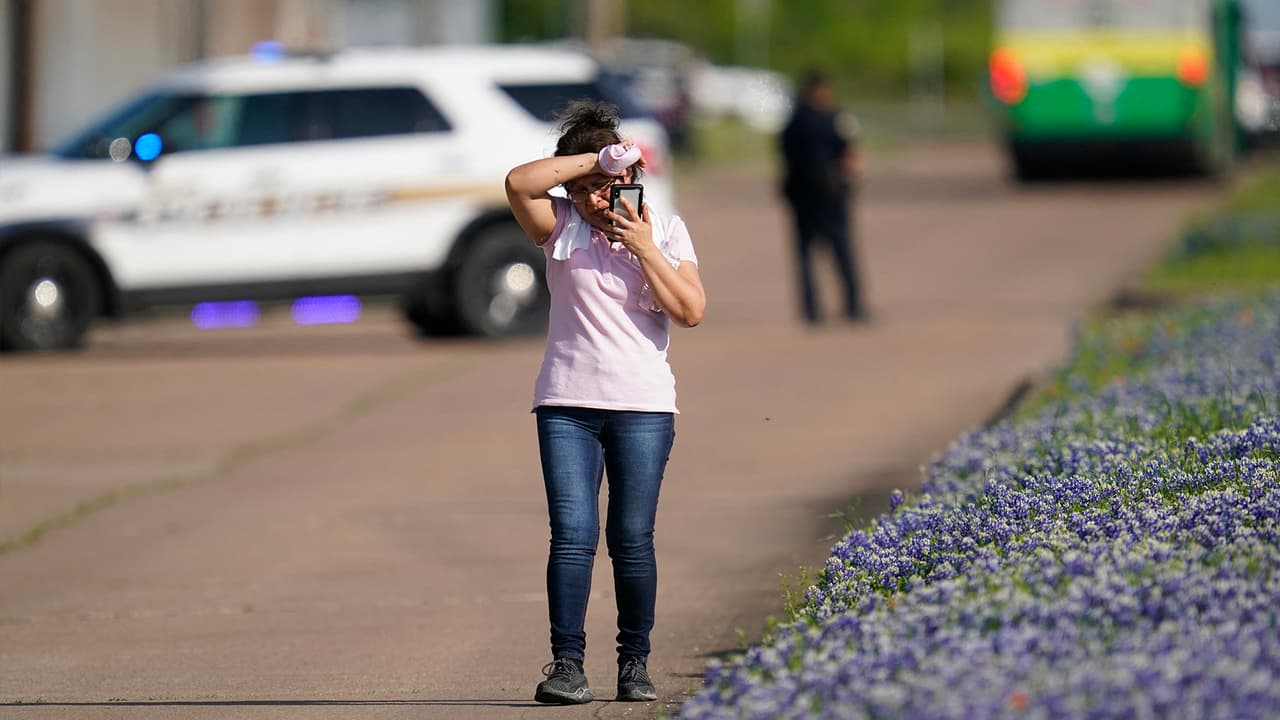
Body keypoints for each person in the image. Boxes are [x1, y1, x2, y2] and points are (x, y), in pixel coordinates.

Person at [504, 101, 706, 705]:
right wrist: (594, 159)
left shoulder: (665, 230)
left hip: (643, 407)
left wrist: (643, 246)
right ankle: (567, 665)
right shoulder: (560, 226)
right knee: (571, 536)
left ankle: (634, 664)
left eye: (610, 186)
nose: (598, 199)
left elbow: (691, 311)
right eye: (587, 189)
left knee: (631, 538)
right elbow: (518, 183)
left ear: (633, 181)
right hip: (566, 404)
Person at [779, 69, 867, 325]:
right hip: (823, 196)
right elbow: (851, 155)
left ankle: (820, 309)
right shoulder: (831, 119)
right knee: (835, 251)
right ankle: (847, 307)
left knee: (816, 254)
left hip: (814, 195)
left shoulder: (796, 120)